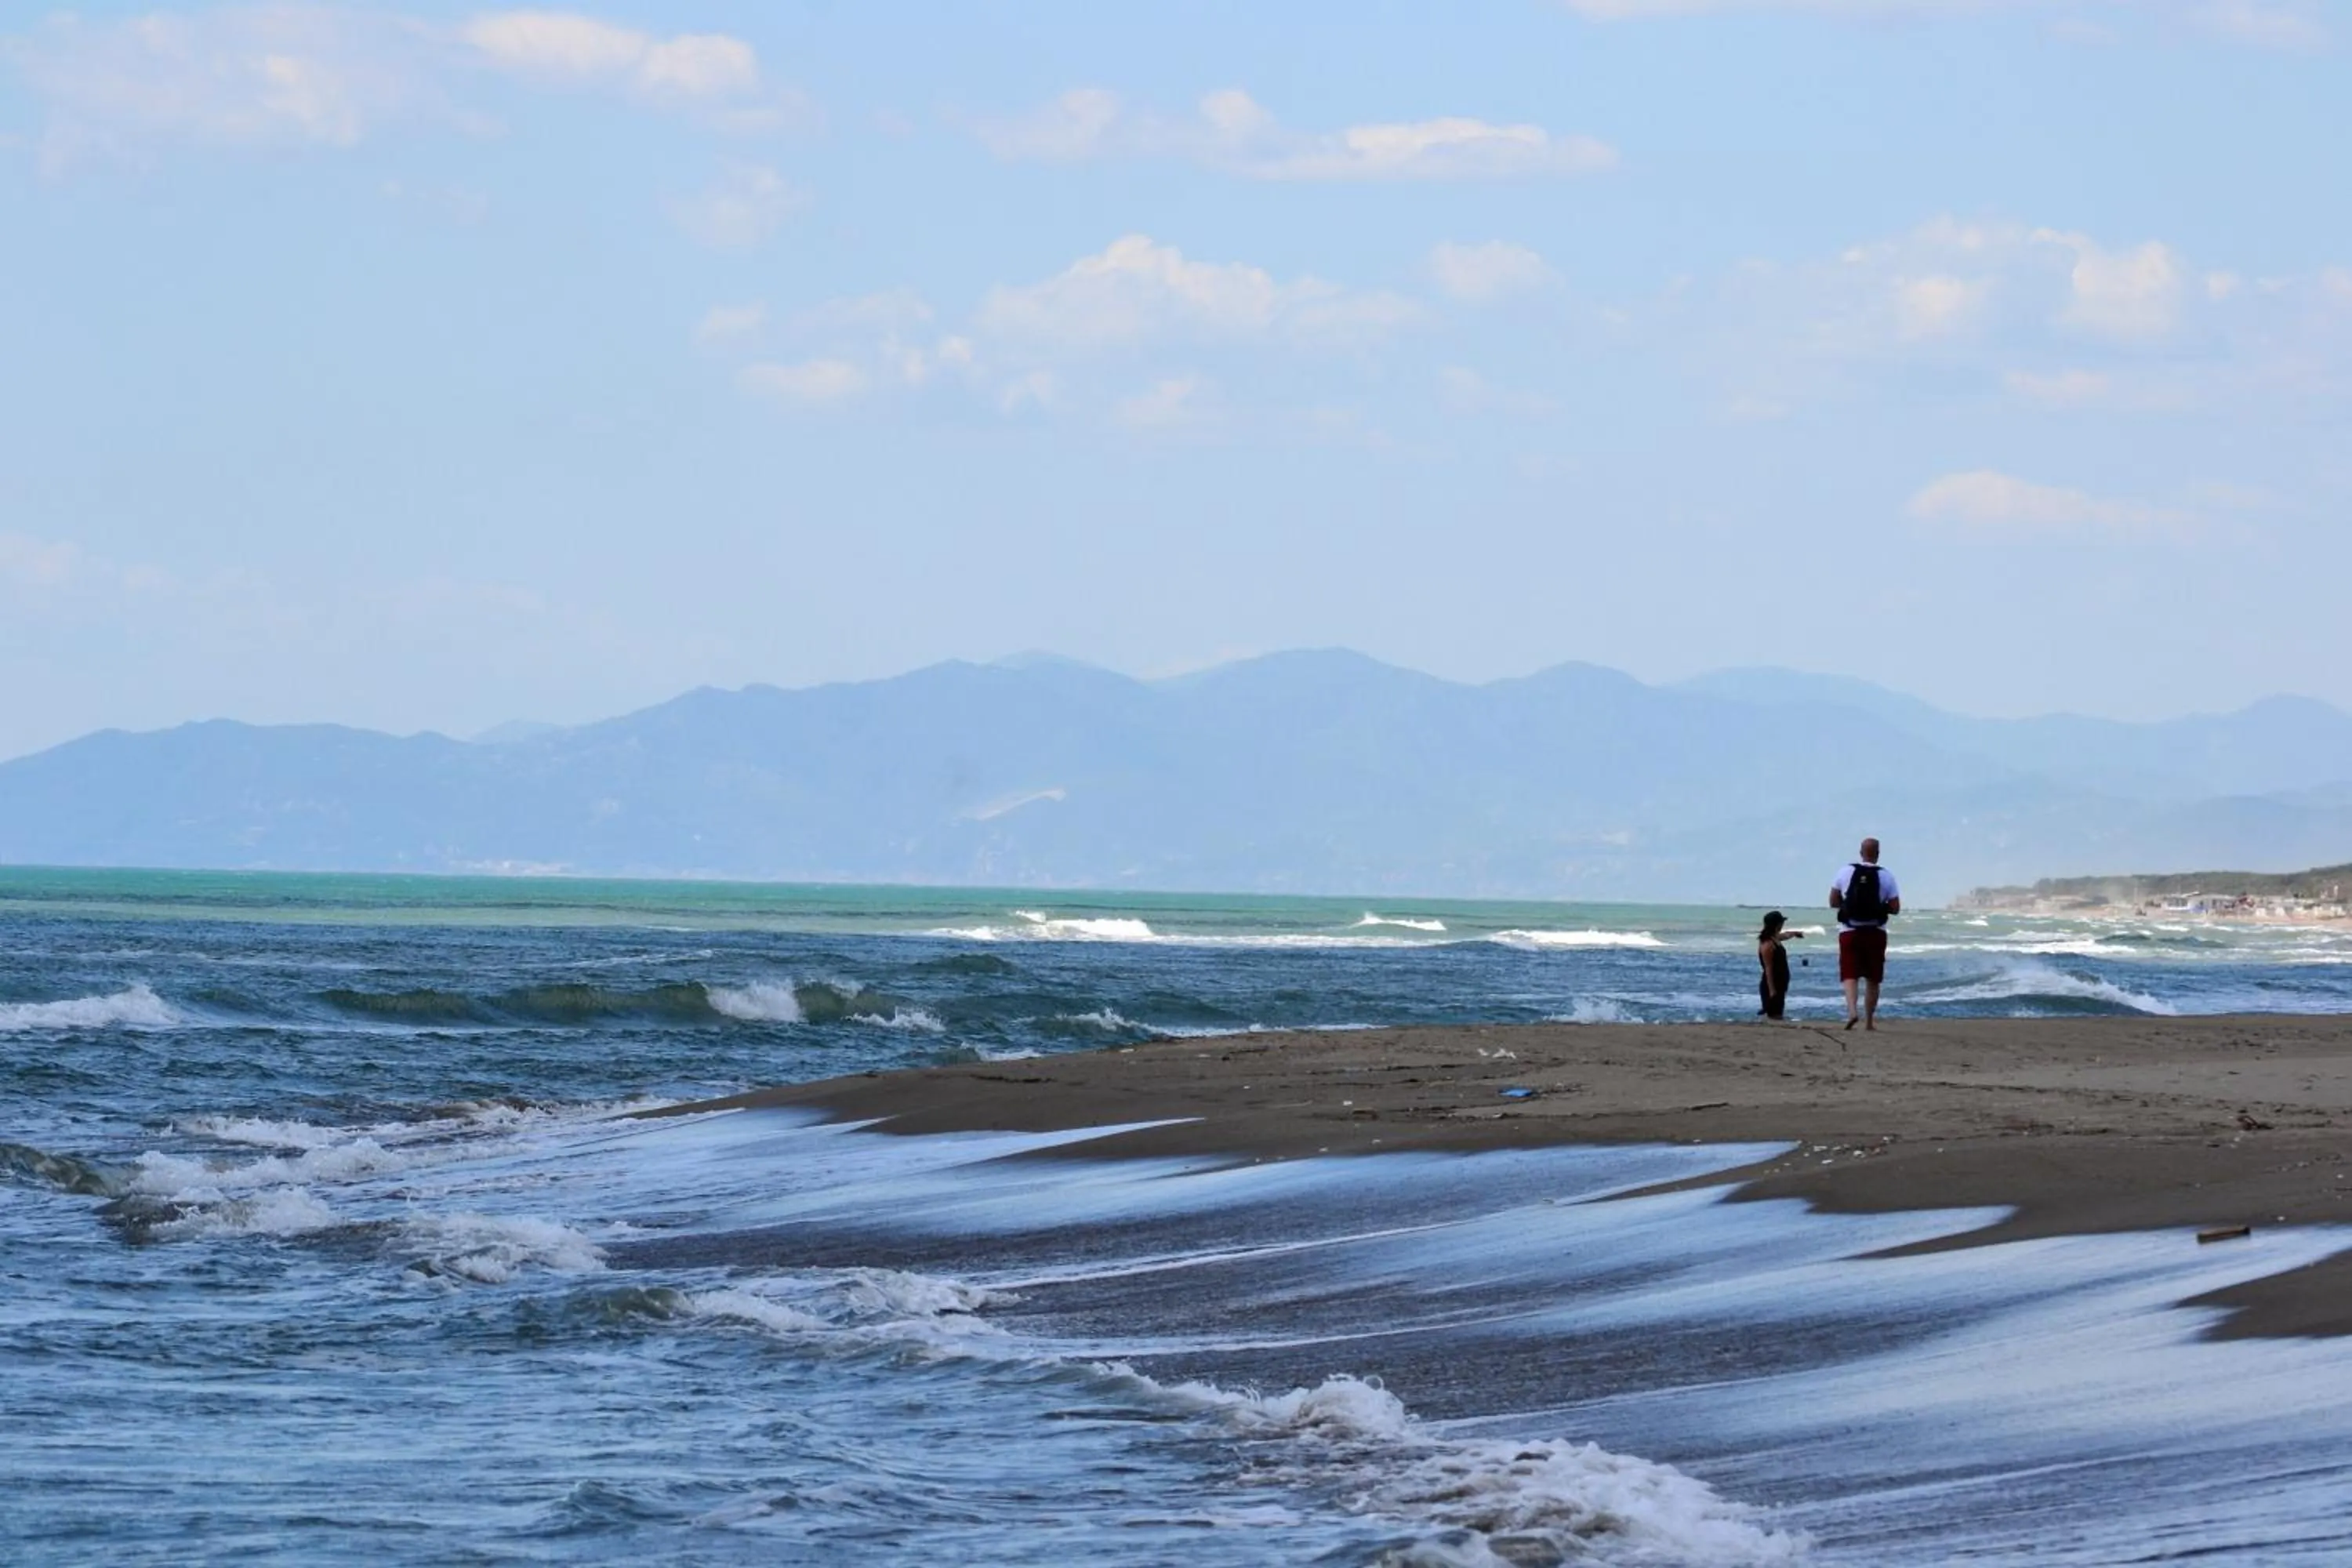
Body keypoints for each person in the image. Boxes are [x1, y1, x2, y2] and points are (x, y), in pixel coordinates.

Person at [1828, 837, 1901, 1031]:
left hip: (1849, 932)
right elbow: (1895, 908)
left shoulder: (1845, 872)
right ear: (1878, 854)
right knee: (1873, 978)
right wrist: (1879, 907)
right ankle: (1869, 1021)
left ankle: (1852, 1011)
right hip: (1875, 933)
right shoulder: (1886, 876)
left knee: (1850, 974)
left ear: (1860, 852)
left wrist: (1847, 905)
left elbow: (1833, 901)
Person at [1755, 910, 1802, 1019]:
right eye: (1782, 922)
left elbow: (1785, 935)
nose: (1783, 925)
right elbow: (1768, 969)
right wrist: (1772, 991)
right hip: (1773, 983)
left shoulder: (1774, 938)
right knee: (1774, 1015)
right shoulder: (1768, 945)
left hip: (1781, 982)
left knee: (1778, 1013)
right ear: (1777, 924)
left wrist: (1795, 933)